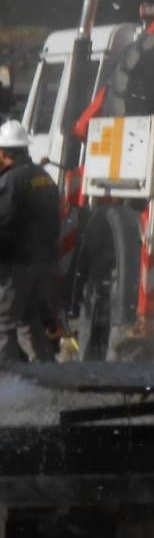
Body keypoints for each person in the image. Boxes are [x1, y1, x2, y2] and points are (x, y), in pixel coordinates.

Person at [0, 120, 60, 363]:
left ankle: (5, 380)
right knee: (29, 319)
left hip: (16, 266)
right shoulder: (44, 177)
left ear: (4, 153)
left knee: (3, 324)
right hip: (43, 263)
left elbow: (3, 223)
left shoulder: (10, 182)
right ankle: (46, 375)